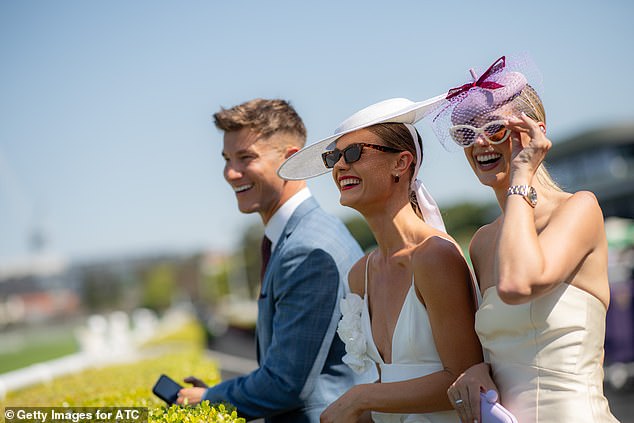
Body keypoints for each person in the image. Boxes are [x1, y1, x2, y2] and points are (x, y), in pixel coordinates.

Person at [431, 55, 619, 422]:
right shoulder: (483, 243)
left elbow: (519, 283)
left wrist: (521, 174)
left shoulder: (579, 209)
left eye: (496, 129)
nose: (480, 143)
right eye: (467, 134)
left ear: (536, 132)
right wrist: (477, 369)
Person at [278, 97, 483, 423]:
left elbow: (464, 379)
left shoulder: (434, 257)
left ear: (401, 163)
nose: (340, 166)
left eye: (354, 152)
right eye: (334, 157)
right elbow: (390, 386)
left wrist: (360, 397)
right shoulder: (361, 274)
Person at [177, 98, 367, 422]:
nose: (230, 173)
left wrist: (208, 398)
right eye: (226, 159)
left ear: (291, 160)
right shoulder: (300, 236)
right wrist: (217, 392)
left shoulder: (306, 249)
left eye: (245, 158)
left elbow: (286, 384)